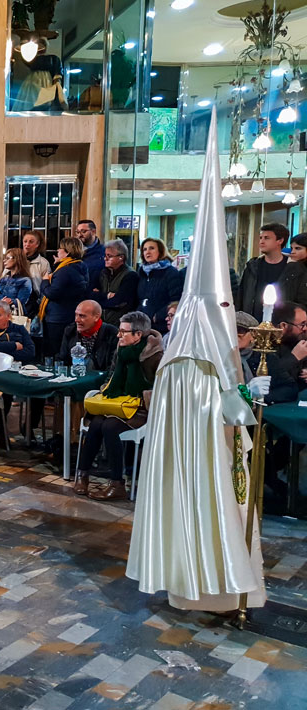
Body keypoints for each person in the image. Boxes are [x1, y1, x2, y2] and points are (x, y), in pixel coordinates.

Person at [128, 108, 264, 613]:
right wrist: (247, 406)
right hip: (209, 455)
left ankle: (194, 583)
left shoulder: (176, 358)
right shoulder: (209, 364)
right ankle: (216, 588)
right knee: (214, 504)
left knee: (198, 501)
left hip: (203, 452)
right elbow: (237, 418)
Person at [75, 311, 164, 500]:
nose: (118, 335)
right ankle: (83, 475)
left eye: (123, 332)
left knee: (109, 426)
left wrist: (143, 397)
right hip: (117, 404)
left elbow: (161, 388)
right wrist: (106, 390)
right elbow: (111, 377)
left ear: (138, 335)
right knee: (96, 422)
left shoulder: (155, 356)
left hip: (140, 409)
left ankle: (117, 483)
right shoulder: (121, 350)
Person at [237, 223, 307, 320]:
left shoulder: (296, 269)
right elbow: (241, 297)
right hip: (252, 325)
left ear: (280, 240)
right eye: (261, 237)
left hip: (281, 326)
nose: (261, 241)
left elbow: (301, 301)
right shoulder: (252, 266)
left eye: (267, 238)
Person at [38, 236, 89, 357]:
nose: (57, 251)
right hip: (68, 314)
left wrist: (45, 281)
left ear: (67, 252)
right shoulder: (79, 266)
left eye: (60, 248)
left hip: (57, 318)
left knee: (55, 350)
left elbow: (52, 293)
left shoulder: (65, 270)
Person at [247, 303, 307, 405]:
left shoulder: (300, 341)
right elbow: (268, 378)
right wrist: (294, 358)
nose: (305, 329)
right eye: (302, 324)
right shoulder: (262, 346)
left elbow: (294, 386)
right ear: (283, 326)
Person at [136, 237, 183, 333]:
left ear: (160, 251)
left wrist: (157, 316)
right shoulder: (141, 273)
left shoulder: (170, 272)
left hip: (162, 326)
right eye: (145, 249)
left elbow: (176, 299)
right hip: (143, 326)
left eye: (151, 248)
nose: (147, 252)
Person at [57, 300, 119, 372]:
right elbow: (62, 360)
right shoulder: (70, 331)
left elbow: (113, 367)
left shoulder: (112, 333)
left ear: (96, 317)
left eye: (82, 316)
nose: (77, 320)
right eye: (76, 315)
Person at [96, 239, 139, 326]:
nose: (105, 259)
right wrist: (107, 295)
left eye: (109, 256)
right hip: (103, 322)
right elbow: (91, 295)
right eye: (105, 255)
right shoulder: (103, 273)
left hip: (120, 323)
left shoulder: (130, 275)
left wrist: (99, 300)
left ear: (121, 257)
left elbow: (120, 302)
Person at [0, 248, 32, 312]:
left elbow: (20, 302)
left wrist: (0, 298)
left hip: (13, 315)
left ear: (16, 259)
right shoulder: (4, 279)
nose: (4, 261)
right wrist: (3, 300)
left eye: (7, 258)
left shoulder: (25, 280)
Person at [235, 311, 258, 382]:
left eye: (240, 330)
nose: (234, 334)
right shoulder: (218, 358)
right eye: (231, 329)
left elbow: (288, 386)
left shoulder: (264, 359)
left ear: (253, 335)